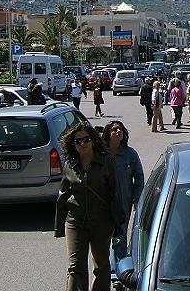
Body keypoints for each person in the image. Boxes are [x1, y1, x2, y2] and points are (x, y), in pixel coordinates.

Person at [54, 123, 122, 291]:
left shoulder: (105, 161)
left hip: (101, 221)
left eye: (86, 140)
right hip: (75, 221)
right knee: (75, 267)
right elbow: (63, 195)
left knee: (101, 265)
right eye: (78, 141)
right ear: (73, 144)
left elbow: (115, 193)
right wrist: (59, 226)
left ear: (93, 141)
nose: (82, 143)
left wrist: (118, 222)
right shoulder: (70, 164)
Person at [101, 121, 144, 264]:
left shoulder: (130, 154)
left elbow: (138, 176)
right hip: (104, 202)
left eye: (120, 129)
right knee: (105, 236)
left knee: (120, 236)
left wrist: (137, 198)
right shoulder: (100, 155)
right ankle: (106, 267)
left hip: (123, 202)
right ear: (108, 133)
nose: (118, 131)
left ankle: (118, 271)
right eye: (114, 129)